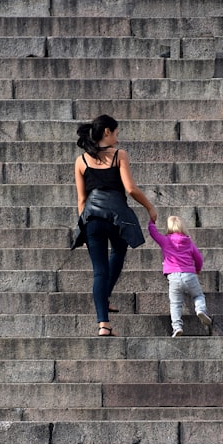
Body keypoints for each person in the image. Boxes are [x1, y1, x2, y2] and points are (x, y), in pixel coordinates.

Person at [71, 114, 158, 337]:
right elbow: (130, 189)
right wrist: (149, 207)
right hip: (116, 217)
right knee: (118, 252)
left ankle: (103, 324)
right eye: (116, 134)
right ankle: (105, 296)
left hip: (91, 219)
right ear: (107, 132)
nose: (118, 140)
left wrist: (82, 228)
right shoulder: (120, 155)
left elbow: (81, 199)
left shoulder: (81, 161)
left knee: (99, 272)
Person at [148, 215, 212, 337]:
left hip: (173, 277)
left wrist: (152, 221)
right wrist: (197, 269)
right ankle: (200, 310)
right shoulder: (188, 242)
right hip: (190, 275)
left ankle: (177, 327)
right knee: (198, 295)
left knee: (175, 304)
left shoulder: (165, 240)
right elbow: (199, 258)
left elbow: (153, 233)